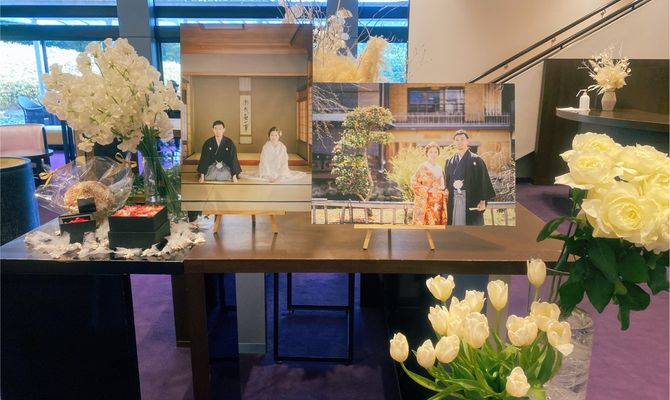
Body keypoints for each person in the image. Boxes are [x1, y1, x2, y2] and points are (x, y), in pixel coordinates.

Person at [444, 130, 495, 226]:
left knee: (471, 226)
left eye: (462, 139)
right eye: (457, 140)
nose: (459, 142)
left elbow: (483, 181)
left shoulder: (477, 160)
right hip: (454, 199)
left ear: (467, 141)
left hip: (471, 199)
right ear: (454, 142)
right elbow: (447, 181)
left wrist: (483, 201)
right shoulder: (449, 161)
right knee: (454, 224)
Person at [411, 142, 447, 225]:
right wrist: (428, 189)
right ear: (426, 153)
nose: (433, 154)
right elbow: (414, 183)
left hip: (438, 202)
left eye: (435, 152)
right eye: (430, 152)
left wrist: (444, 190)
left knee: (437, 226)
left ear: (438, 154)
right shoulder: (422, 167)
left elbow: (443, 185)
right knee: (426, 226)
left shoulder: (440, 168)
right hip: (426, 201)